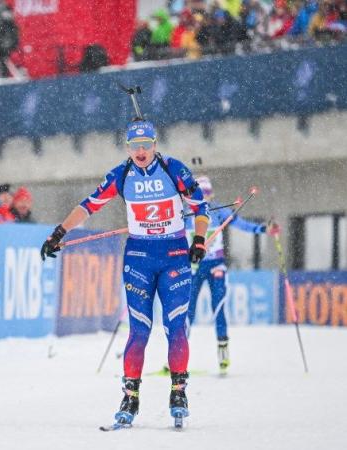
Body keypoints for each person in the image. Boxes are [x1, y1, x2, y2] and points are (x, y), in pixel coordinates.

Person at [40, 119, 209, 427]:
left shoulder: (174, 169)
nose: (140, 151)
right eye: (134, 146)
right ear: (127, 148)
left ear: (156, 145)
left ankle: (178, 391)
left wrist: (198, 239)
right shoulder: (122, 174)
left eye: (146, 145)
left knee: (176, 327)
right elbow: (89, 205)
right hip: (139, 257)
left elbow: (201, 207)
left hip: (174, 256)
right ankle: (130, 397)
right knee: (139, 331)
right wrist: (59, 232)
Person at [185, 175, 279, 374]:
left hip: (215, 266)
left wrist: (264, 229)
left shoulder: (219, 212)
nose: (205, 198)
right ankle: (177, 358)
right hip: (193, 267)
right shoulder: (185, 213)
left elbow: (242, 225)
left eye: (207, 193)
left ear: (212, 194)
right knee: (187, 312)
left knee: (218, 308)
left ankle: (223, 354)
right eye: (200, 194)